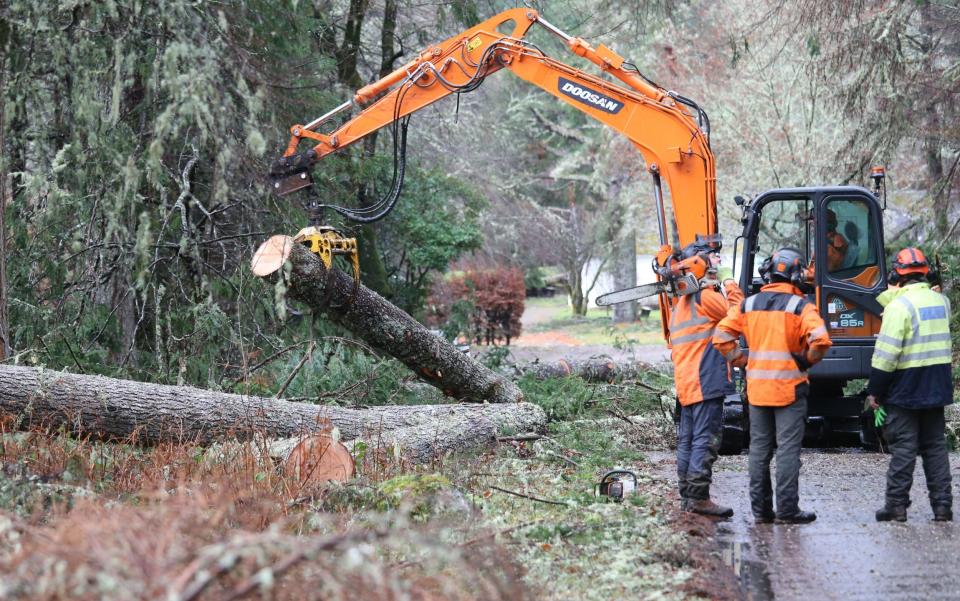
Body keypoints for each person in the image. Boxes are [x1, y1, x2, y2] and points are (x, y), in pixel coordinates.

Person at [713, 247, 832, 524]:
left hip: (757, 390)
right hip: (790, 391)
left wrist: (742, 359)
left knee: (759, 450)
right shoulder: (800, 306)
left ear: (768, 273)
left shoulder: (748, 304)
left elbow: (720, 337)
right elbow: (821, 340)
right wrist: (806, 362)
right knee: (787, 450)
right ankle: (788, 510)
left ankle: (762, 511)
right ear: (797, 275)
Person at [866, 248, 953, 522]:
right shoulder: (942, 302)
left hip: (906, 386)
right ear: (926, 272)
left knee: (904, 447)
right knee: (935, 447)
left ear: (896, 274)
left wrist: (875, 392)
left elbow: (886, 356)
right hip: (937, 385)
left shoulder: (898, 308)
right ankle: (942, 507)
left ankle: (896, 506)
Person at [670, 241, 743, 517]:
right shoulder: (706, 298)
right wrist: (730, 282)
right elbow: (738, 314)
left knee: (688, 440)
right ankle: (699, 497)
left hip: (687, 383)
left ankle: (688, 495)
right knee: (706, 439)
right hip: (705, 378)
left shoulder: (680, 306)